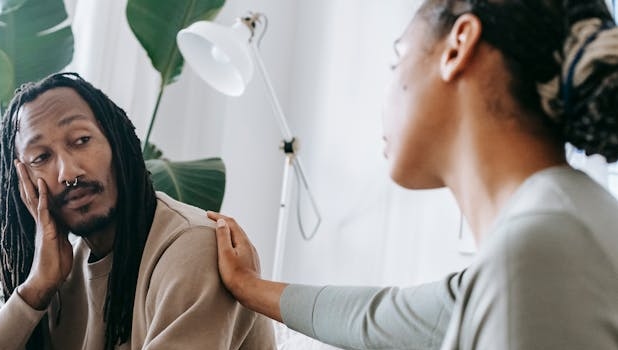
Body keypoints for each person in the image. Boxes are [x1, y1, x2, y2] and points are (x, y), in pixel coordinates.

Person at [209, 0, 618, 349]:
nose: (385, 93)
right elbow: (376, 318)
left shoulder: (538, 249)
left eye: (396, 59)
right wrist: (247, 285)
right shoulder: (558, 224)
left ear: (458, 47)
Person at [0, 72, 275, 350]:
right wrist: (35, 289)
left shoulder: (193, 247)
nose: (68, 172)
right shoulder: (57, 271)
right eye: (41, 157)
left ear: (116, 142)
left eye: (81, 140)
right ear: (23, 183)